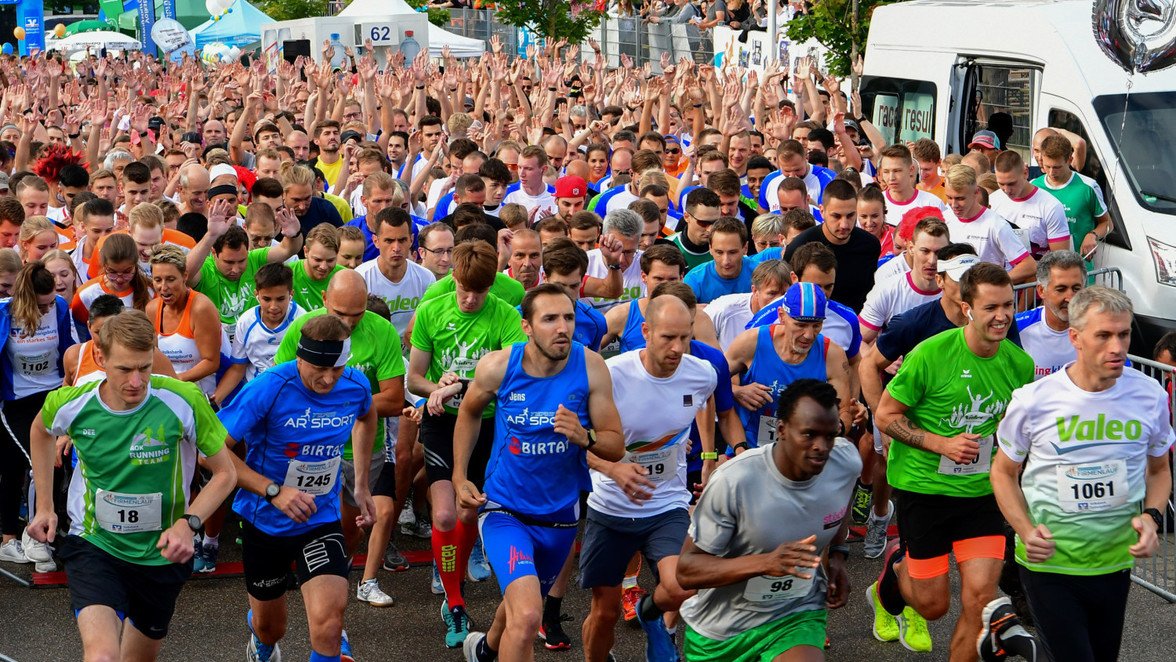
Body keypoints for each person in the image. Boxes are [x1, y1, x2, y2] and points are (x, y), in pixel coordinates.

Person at [25, 310, 236, 662]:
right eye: (124, 369)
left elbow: (225, 473)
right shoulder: (72, 402)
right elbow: (40, 432)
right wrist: (45, 506)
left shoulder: (182, 400)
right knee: (103, 656)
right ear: (100, 358)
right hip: (95, 544)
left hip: (162, 552)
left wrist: (189, 524)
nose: (137, 381)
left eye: (145, 367)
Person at [990, 286, 1173, 662]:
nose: (1117, 347)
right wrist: (1025, 529)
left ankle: (1013, 636)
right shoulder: (1034, 400)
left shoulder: (1149, 395)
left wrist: (1153, 518)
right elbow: (1003, 472)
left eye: (1123, 334)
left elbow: (1159, 470)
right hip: (1049, 562)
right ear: (1075, 337)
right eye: (1103, 335)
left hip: (1114, 562)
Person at [871, 262, 1035, 660]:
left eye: (1008, 306)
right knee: (933, 606)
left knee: (979, 600)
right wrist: (941, 444)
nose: (1002, 316)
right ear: (967, 309)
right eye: (990, 308)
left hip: (981, 493)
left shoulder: (1019, 364)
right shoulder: (931, 354)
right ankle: (892, 577)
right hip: (924, 489)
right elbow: (885, 415)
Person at [455, 284, 626, 662]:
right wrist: (459, 475)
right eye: (549, 319)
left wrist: (585, 436)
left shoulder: (591, 366)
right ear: (527, 326)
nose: (562, 327)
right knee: (530, 614)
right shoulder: (499, 366)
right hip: (505, 509)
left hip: (560, 519)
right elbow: (468, 413)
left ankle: (484, 649)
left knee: (520, 606)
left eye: (568, 317)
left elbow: (615, 444)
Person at [218, 314, 377, 662]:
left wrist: (362, 485)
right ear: (299, 358)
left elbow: (367, 416)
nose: (328, 379)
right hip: (265, 522)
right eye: (318, 369)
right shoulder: (270, 386)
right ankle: (260, 637)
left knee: (329, 625)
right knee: (271, 628)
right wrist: (274, 491)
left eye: (336, 369)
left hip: (320, 520)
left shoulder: (355, 384)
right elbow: (212, 452)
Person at [676, 379, 861, 662]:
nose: (822, 447)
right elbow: (687, 570)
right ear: (783, 430)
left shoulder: (845, 462)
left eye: (830, 435)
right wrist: (766, 563)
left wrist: (837, 555)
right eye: (809, 434)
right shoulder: (735, 481)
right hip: (722, 630)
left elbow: (838, 505)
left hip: (795, 614)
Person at [581, 296, 718, 662]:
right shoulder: (611, 376)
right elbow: (580, 443)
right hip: (610, 508)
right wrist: (614, 469)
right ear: (645, 332)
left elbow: (706, 402)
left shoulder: (701, 372)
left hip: (666, 504)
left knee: (680, 585)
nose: (677, 348)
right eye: (667, 338)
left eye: (685, 338)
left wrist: (708, 455)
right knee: (605, 614)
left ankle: (650, 613)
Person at [408, 241, 528, 647]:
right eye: (464, 290)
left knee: (469, 510)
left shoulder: (506, 316)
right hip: (443, 421)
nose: (472, 299)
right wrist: (436, 388)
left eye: (481, 291)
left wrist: (468, 386)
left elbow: (513, 377)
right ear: (453, 279)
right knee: (443, 516)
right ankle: (455, 603)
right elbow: (414, 380)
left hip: (489, 425)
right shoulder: (431, 310)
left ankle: (455, 576)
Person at [0, 262, 75, 567]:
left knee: (52, 463)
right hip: (16, 402)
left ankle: (43, 532)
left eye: (50, 302)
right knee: (31, 463)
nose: (47, 309)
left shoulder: (58, 307)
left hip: (51, 396)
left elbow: (69, 351)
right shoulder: (5, 313)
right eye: (41, 304)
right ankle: (26, 537)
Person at [726, 281, 857, 452]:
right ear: (782, 316)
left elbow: (844, 411)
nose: (809, 335)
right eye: (800, 325)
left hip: (805, 456)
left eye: (816, 325)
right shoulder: (752, 342)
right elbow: (711, 382)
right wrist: (737, 391)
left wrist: (836, 426)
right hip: (750, 449)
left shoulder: (832, 354)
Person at [186, 199, 304, 339]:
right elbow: (184, 274)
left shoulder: (254, 258)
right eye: (229, 262)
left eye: (241, 261)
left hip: (253, 341)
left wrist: (295, 233)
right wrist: (211, 235)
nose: (236, 269)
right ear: (214, 252)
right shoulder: (205, 269)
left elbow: (287, 249)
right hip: (216, 343)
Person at [783, 180, 881, 312]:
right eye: (836, 216)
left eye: (850, 215)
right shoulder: (798, 246)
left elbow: (869, 295)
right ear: (822, 211)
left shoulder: (869, 245)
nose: (844, 225)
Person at [146, 245, 223, 398]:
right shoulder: (152, 309)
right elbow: (151, 356)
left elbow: (211, 362)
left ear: (185, 276)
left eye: (171, 279)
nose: (163, 287)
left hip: (201, 395)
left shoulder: (201, 308)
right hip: (166, 392)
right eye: (157, 280)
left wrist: (176, 380)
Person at [858, 217, 951, 344]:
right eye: (925, 251)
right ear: (911, 248)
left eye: (939, 252)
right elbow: (858, 341)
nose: (932, 260)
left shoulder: (959, 293)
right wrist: (880, 361)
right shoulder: (887, 290)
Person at [942, 165, 1037, 284]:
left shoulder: (996, 224)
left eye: (960, 198)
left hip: (982, 299)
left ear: (976, 192)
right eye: (949, 198)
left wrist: (992, 284)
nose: (954, 204)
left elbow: (1029, 265)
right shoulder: (944, 218)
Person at [356, 207, 436, 344]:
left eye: (402, 240)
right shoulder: (360, 277)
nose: (396, 248)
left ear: (411, 240)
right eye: (389, 241)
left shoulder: (426, 278)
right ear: (376, 241)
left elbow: (430, 325)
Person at [63, 294, 177, 387]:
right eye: (98, 332)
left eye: (112, 330)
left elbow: (176, 392)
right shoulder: (74, 356)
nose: (105, 338)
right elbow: (65, 397)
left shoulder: (148, 354)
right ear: (89, 326)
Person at [1031, 134, 1110, 258]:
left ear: (1069, 159)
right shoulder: (1034, 186)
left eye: (1057, 167)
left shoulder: (1088, 187)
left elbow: (1107, 223)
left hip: (1077, 267)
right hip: (1043, 269)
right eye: (1047, 166)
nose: (1052, 172)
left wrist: (1092, 235)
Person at [1014, 251, 1087, 379]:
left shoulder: (1097, 328)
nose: (1070, 298)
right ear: (1042, 291)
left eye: (1076, 289)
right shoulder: (1016, 328)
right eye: (1061, 289)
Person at [989, 151, 1071, 258]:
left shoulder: (1051, 206)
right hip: (1000, 272)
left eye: (1012, 183)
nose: (1007, 190)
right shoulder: (992, 201)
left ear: (1025, 173)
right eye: (1001, 184)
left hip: (1039, 272)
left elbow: (1061, 259)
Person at [705, 259, 792, 351]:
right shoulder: (724, 308)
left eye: (784, 294)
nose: (778, 300)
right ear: (755, 291)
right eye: (772, 293)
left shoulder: (796, 316)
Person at [70, 233, 152, 326]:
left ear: (135, 265)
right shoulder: (85, 295)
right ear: (104, 265)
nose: (119, 279)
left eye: (127, 272)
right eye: (112, 272)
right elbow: (84, 335)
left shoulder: (151, 290)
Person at [683, 217, 753, 304]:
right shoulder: (694, 280)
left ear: (745, 248)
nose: (726, 261)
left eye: (732, 252)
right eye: (719, 252)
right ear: (710, 248)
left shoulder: (761, 274)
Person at [878, 144, 947, 224]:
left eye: (897, 171)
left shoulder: (933, 203)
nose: (891, 177)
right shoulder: (876, 203)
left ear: (911, 170)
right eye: (886, 171)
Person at [666, 188, 721, 272]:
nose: (710, 229)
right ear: (687, 217)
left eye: (715, 222)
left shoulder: (727, 247)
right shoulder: (667, 247)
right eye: (703, 223)